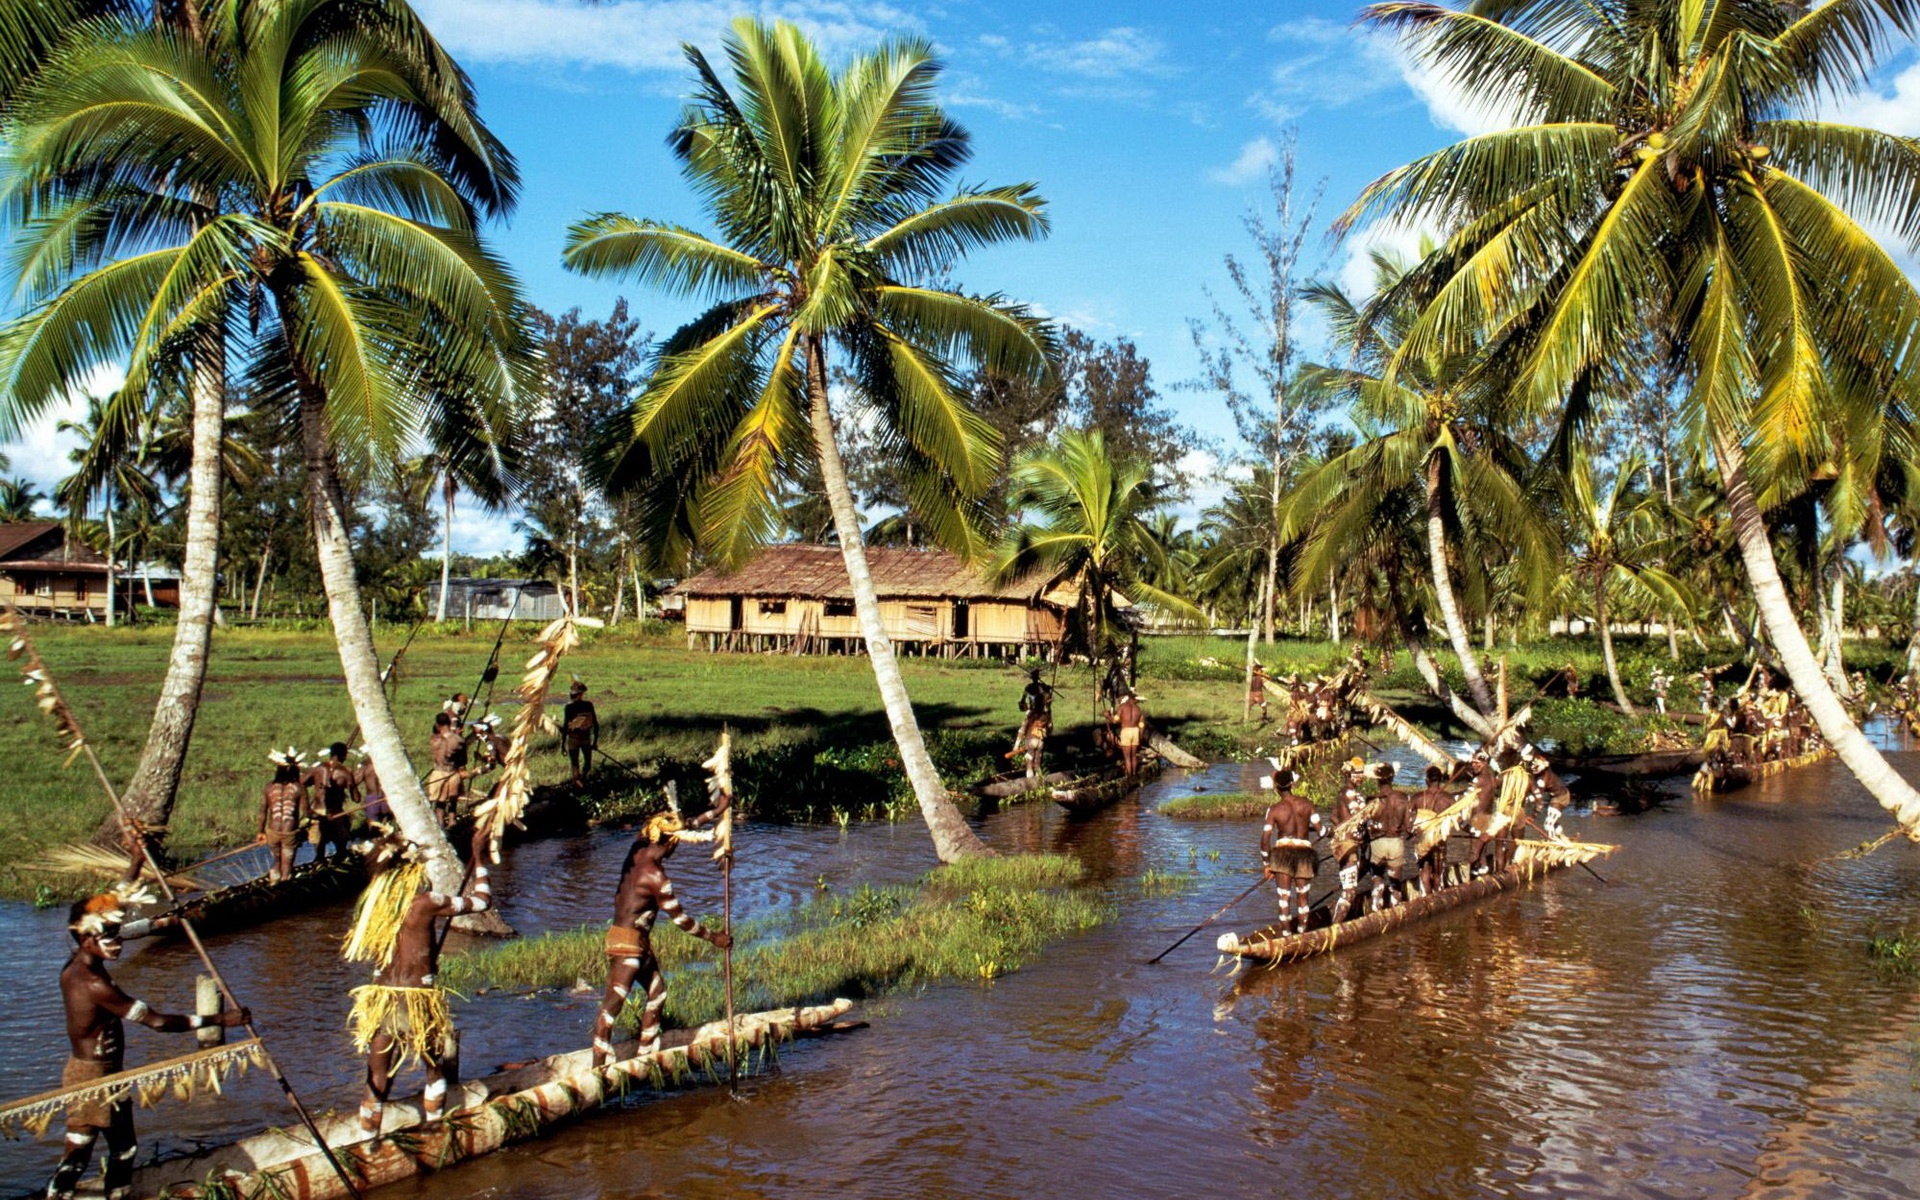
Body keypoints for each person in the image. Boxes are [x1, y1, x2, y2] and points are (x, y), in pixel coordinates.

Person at [48, 890, 249, 1200]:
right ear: (89, 941)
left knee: (103, 1147)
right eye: (110, 940)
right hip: (94, 1077)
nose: (118, 945)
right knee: (96, 1148)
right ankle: (76, 1195)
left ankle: (99, 1194)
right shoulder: (95, 985)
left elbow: (117, 922)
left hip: (97, 1073)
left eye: (117, 937)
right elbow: (158, 1023)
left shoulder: (76, 962)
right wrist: (221, 1020)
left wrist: (139, 866)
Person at [348, 826, 492, 1135]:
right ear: (411, 869)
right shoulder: (425, 902)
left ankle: (367, 1139)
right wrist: (479, 858)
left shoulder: (374, 906)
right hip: (416, 998)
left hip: (380, 997)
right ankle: (435, 1128)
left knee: (377, 1076)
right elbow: (482, 902)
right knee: (433, 1066)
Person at [590, 807, 733, 1068]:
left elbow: (682, 824)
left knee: (658, 993)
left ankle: (646, 1051)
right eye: (677, 843)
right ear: (671, 843)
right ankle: (598, 1066)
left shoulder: (636, 850)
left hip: (635, 944)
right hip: (628, 946)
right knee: (612, 1006)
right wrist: (714, 938)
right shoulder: (656, 877)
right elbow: (681, 920)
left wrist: (716, 810)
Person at [1259, 765, 1321, 936]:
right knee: (1303, 898)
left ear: (1276, 787)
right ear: (1292, 784)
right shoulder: (1308, 804)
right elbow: (1321, 830)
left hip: (1282, 855)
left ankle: (1287, 936)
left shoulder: (1274, 810)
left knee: (1284, 899)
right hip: (1304, 854)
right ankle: (1302, 934)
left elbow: (1265, 840)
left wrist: (1267, 864)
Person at [1365, 763, 1414, 913]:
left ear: (1378, 780)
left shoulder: (1371, 800)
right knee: (1395, 884)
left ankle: (1375, 910)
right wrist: (1411, 833)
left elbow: (1365, 824)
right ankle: (1396, 912)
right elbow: (1408, 827)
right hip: (1395, 843)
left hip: (1377, 843)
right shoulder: (1402, 798)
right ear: (1392, 778)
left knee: (1377, 879)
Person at [1328, 758, 1371, 924]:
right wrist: (1345, 834)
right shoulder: (1347, 793)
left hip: (1353, 844)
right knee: (1350, 892)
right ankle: (1334, 928)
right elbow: (1352, 819)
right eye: (1356, 773)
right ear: (1348, 774)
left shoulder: (1352, 794)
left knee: (1362, 871)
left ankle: (1336, 911)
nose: (1360, 777)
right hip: (1348, 846)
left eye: (1362, 773)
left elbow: (1333, 816)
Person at [256, 747, 307, 883]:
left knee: (277, 860)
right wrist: (317, 818)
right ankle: (283, 886)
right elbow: (307, 811)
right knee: (287, 864)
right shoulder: (299, 788)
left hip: (272, 831)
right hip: (289, 833)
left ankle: (274, 882)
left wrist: (260, 832)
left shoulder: (269, 787)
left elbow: (262, 812)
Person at [306, 742, 359, 861]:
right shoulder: (345, 772)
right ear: (344, 756)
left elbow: (302, 782)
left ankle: (319, 864)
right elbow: (356, 799)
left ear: (331, 754)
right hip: (335, 813)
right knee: (341, 846)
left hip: (317, 811)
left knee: (319, 846)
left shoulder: (318, 768)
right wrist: (351, 784)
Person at [1413, 766, 1455, 894]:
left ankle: (1426, 898)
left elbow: (1409, 819)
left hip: (1423, 841)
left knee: (1424, 871)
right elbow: (1457, 819)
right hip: (1439, 840)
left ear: (1427, 780)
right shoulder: (1448, 798)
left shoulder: (1417, 797)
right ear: (1441, 780)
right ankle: (1438, 896)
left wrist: (1413, 830)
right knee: (1438, 873)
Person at [424, 713, 469, 824]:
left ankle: (440, 822)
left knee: (440, 802)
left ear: (437, 725)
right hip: (452, 773)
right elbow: (463, 761)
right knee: (453, 801)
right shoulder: (458, 740)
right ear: (449, 723)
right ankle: (452, 820)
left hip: (438, 772)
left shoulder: (434, 739)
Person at [563, 679, 599, 788]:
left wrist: (595, 741)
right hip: (576, 739)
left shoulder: (585, 706)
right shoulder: (571, 707)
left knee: (584, 764)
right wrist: (563, 744)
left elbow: (595, 723)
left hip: (582, 739)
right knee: (576, 764)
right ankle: (579, 783)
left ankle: (581, 781)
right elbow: (566, 726)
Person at [1111, 689, 1146, 777]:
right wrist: (1140, 737)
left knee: (1127, 757)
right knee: (1133, 756)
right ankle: (1134, 774)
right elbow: (1141, 725)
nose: (1138, 701)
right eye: (1137, 700)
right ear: (1134, 699)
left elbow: (1115, 721)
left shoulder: (1122, 707)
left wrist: (1108, 716)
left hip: (1126, 731)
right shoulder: (1138, 709)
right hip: (1135, 731)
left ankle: (1129, 777)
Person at [355, 748, 389, 825]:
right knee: (386, 824)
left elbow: (355, 781)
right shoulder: (386, 764)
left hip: (373, 799)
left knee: (374, 825)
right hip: (386, 798)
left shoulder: (366, 767)